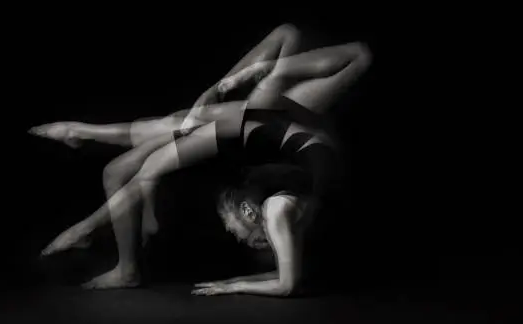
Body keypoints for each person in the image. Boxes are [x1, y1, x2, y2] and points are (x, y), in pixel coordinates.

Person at [29, 24, 372, 297]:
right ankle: (111, 248)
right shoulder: (283, 110)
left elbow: (150, 150)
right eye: (241, 232)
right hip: (255, 127)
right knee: (128, 165)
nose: (231, 229)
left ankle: (120, 262)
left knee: (128, 166)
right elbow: (329, 46)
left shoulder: (267, 120)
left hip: (247, 129)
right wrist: (243, 76)